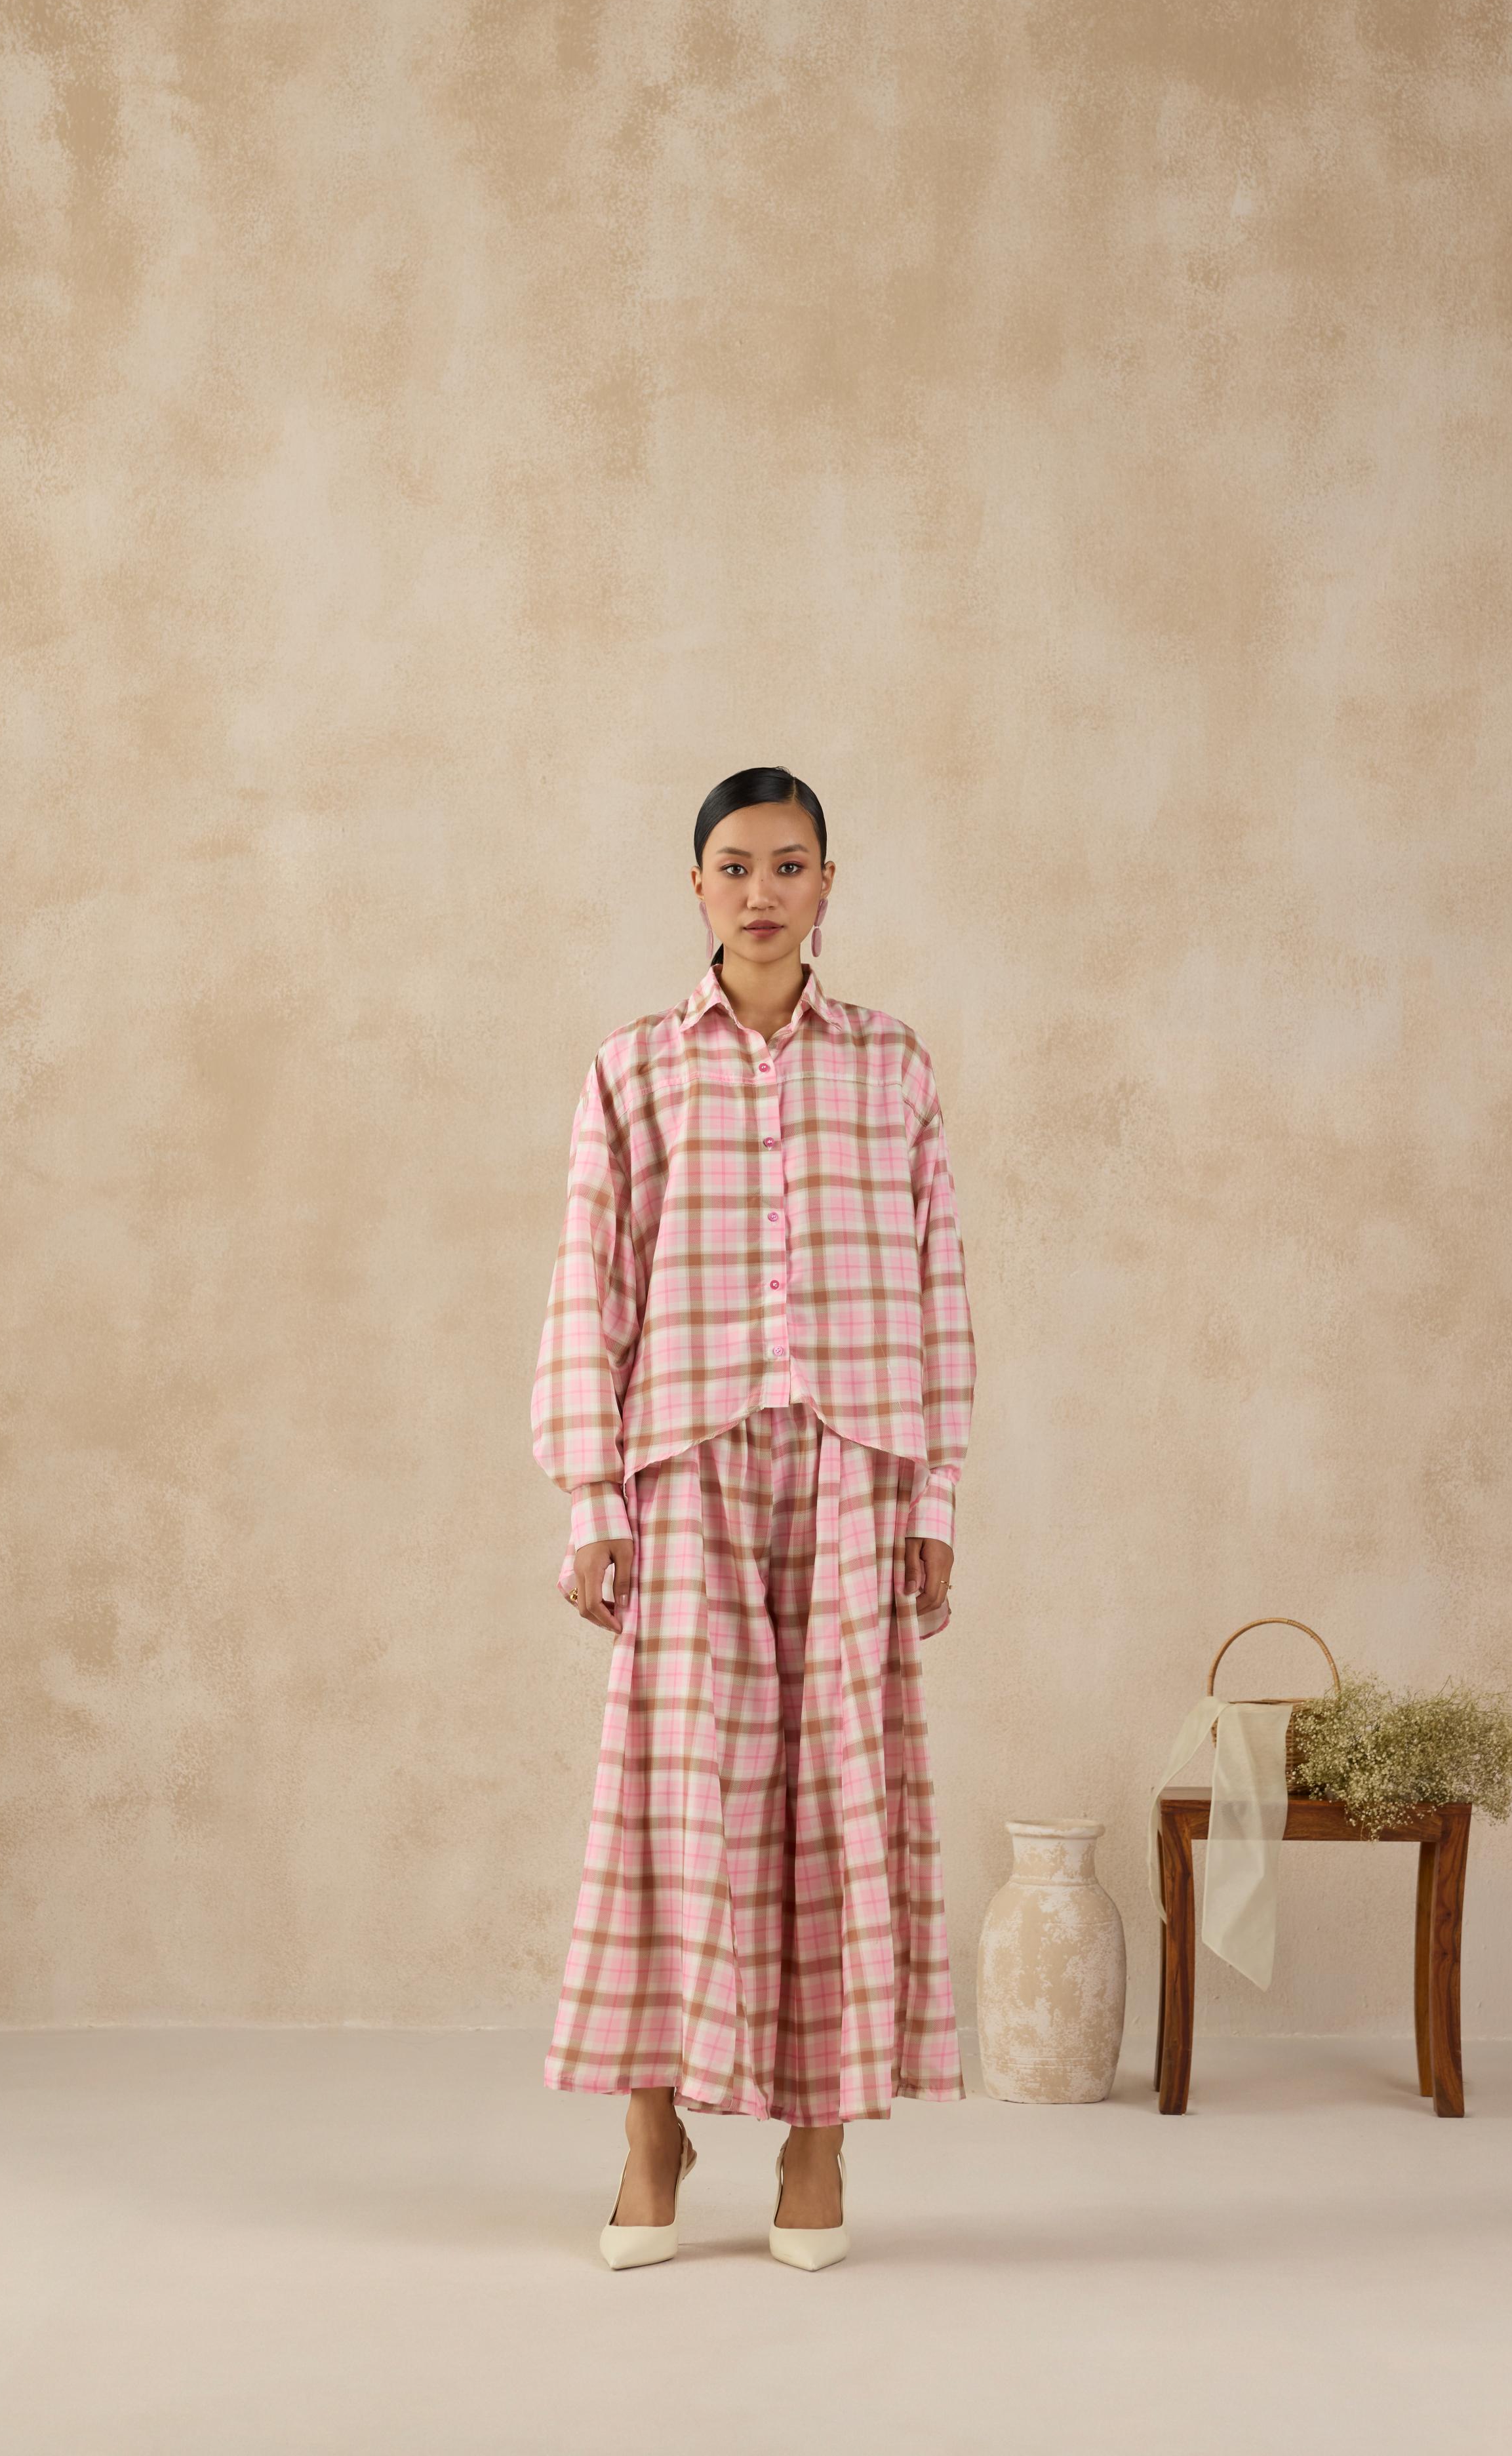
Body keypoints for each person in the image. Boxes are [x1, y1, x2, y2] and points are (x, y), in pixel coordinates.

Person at [530, 765, 976, 2271]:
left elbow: (937, 1279)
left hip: (856, 1459)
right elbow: (588, 1282)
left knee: (840, 1793)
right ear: (697, 887)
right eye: (734, 864)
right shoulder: (634, 1068)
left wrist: (934, 1488)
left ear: (827, 883)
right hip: (686, 1460)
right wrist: (590, 1493)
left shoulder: (891, 1064)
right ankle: (651, 2131)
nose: (762, 890)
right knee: (675, 1798)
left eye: (790, 864)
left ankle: (816, 2141)